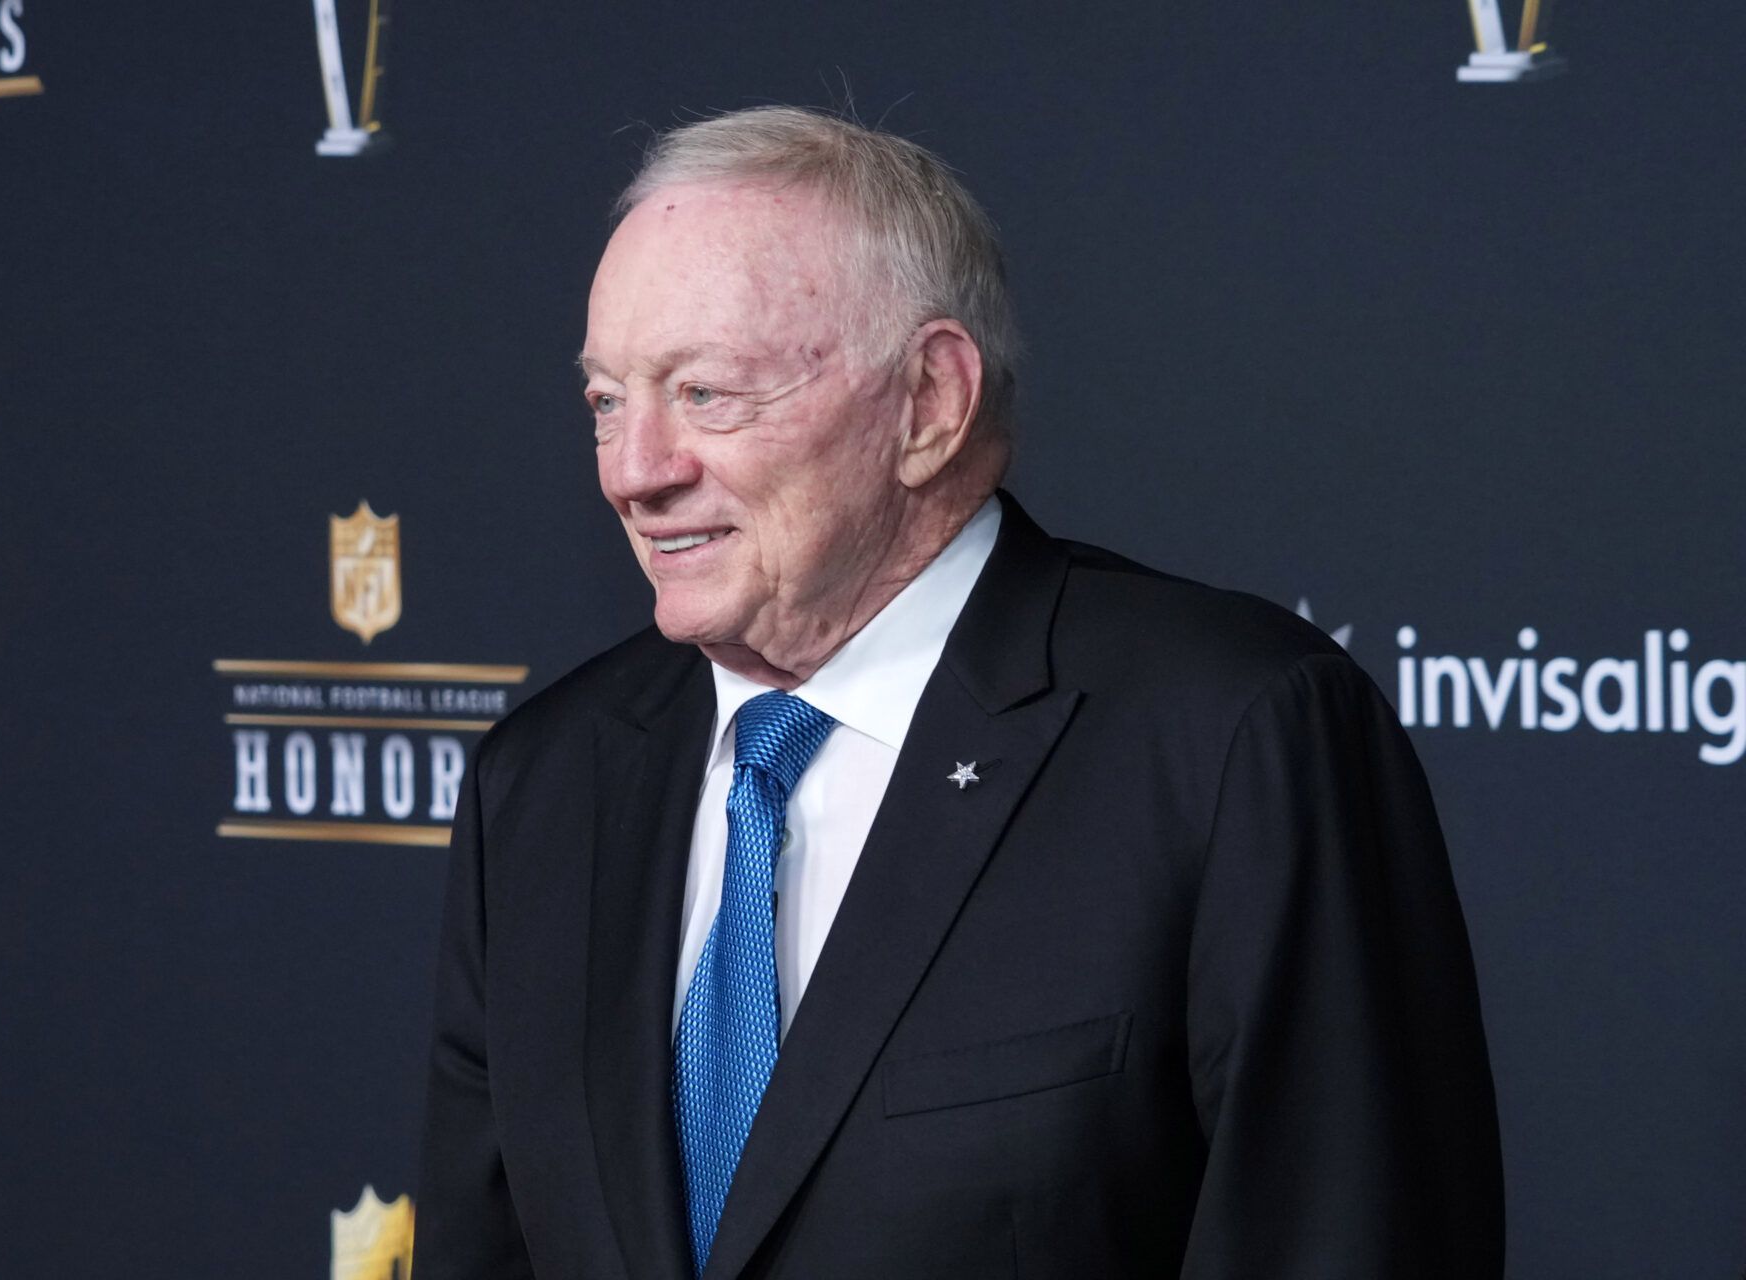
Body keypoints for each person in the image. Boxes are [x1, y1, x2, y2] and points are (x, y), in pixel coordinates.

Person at [416, 106, 1503, 1279]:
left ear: (930, 401)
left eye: (708, 394)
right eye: (607, 401)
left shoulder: (1234, 736)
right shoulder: (546, 778)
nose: (636, 471)